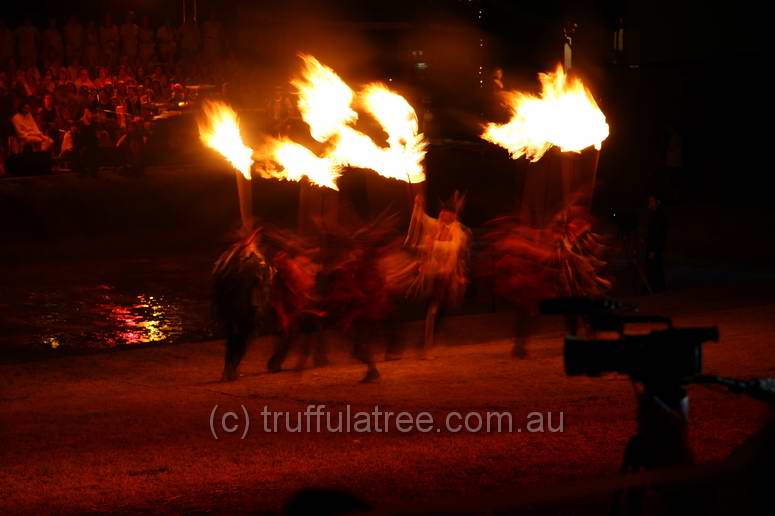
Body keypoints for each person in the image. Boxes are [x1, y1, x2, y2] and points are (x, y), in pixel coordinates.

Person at [405, 192, 470, 354]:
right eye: (441, 211)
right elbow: (421, 219)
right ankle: (425, 343)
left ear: (453, 215)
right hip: (430, 273)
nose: (441, 214)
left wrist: (432, 245)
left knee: (435, 310)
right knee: (430, 308)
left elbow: (453, 249)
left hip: (446, 275)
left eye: (445, 211)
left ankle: (426, 344)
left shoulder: (459, 232)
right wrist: (418, 205)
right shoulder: (435, 224)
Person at [645, 195, 668, 292]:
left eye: (651, 201)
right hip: (653, 248)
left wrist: (653, 250)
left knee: (656, 269)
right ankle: (656, 289)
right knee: (654, 268)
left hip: (655, 248)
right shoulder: (652, 215)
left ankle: (658, 289)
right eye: (649, 201)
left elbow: (658, 234)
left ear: (656, 202)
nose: (649, 204)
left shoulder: (659, 216)